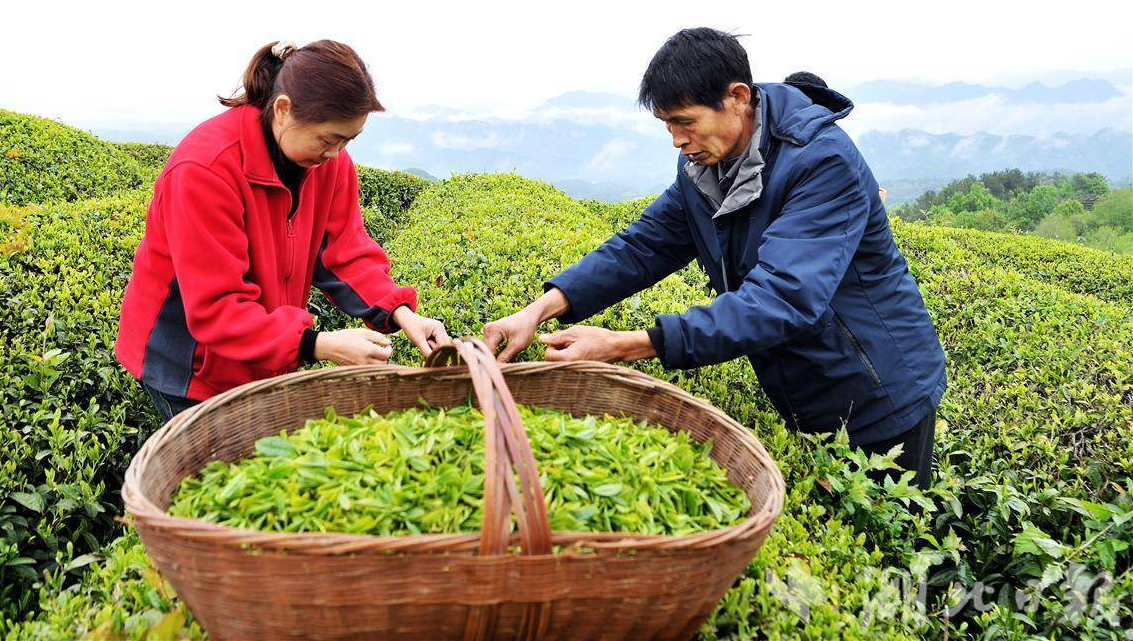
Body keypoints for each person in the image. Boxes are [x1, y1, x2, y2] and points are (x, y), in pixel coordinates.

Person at [483, 28, 946, 486]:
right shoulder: (703, 164)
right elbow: (644, 245)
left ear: (738, 97)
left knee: (891, 523)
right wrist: (537, 311)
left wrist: (624, 345)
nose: (676, 140)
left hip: (879, 390)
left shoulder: (822, 162)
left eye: (685, 122)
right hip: (802, 386)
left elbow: (782, 298)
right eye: (667, 125)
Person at [116, 40, 449, 421]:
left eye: (347, 140)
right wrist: (316, 344)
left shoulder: (329, 164)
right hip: (187, 360)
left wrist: (401, 312)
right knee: (222, 455)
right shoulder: (205, 169)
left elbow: (343, 253)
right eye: (328, 139)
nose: (336, 153)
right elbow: (216, 307)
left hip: (258, 346)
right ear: (283, 109)